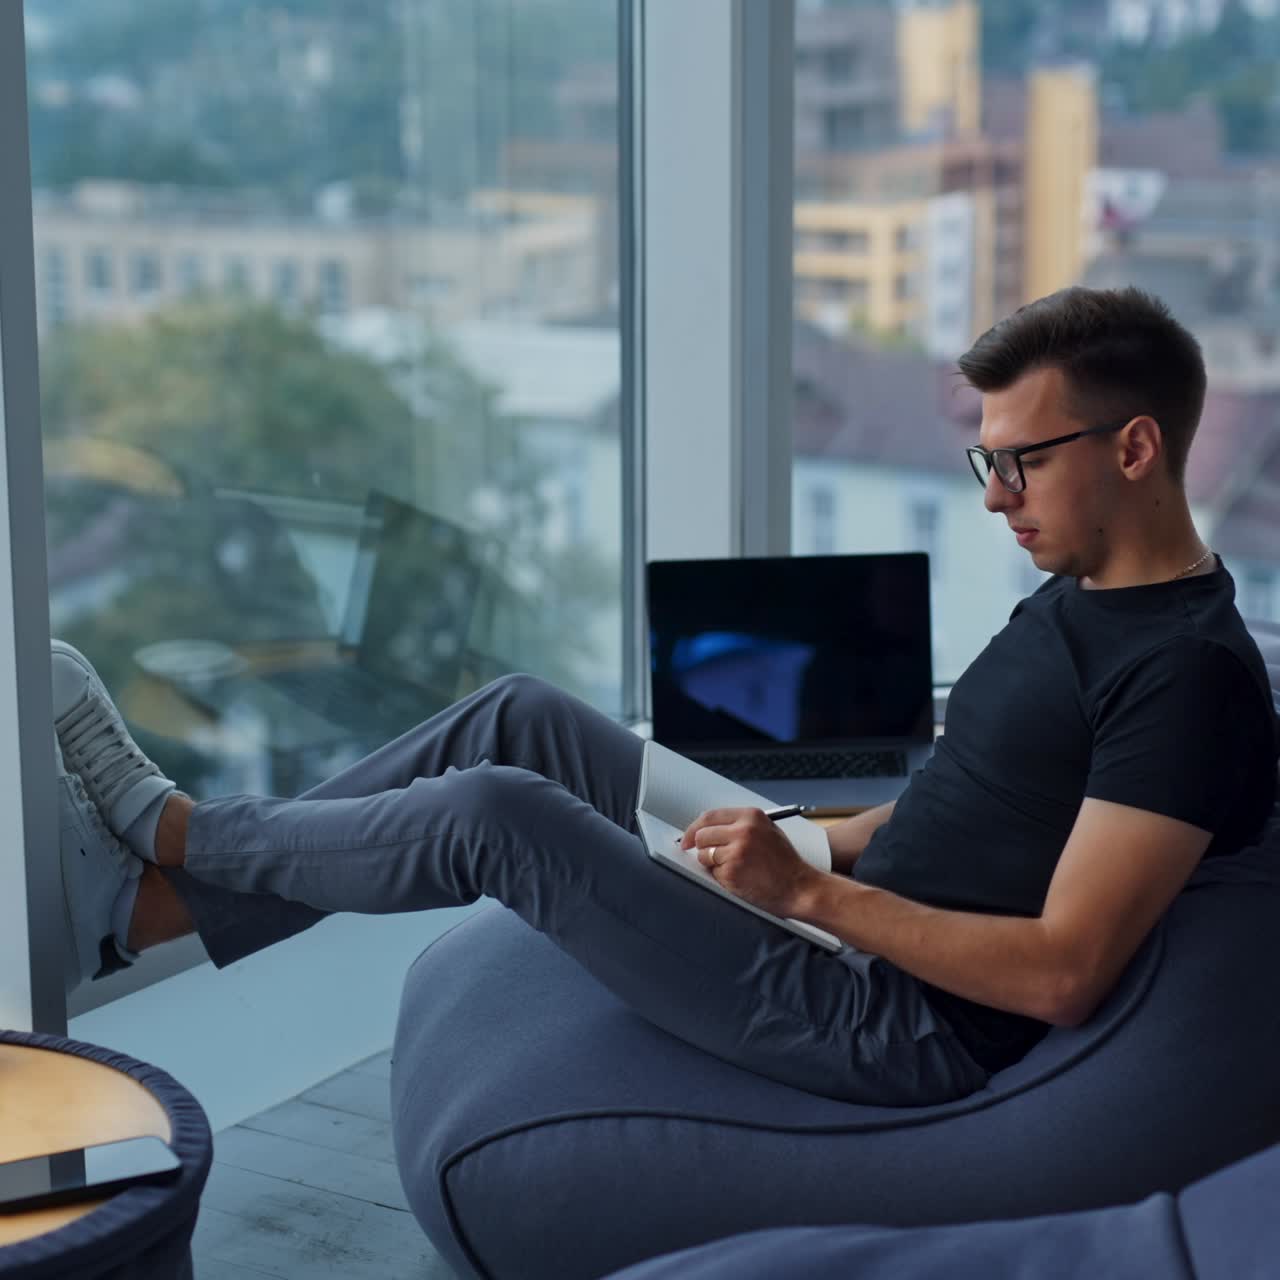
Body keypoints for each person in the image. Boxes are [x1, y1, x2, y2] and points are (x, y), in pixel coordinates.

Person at [53, 286, 1279, 1106]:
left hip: (891, 1015)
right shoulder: (1079, 592)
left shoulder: (1185, 679)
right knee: (517, 714)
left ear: (1132, 449)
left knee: (497, 808)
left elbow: (1063, 971)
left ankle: (177, 841)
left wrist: (802, 890)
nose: (992, 495)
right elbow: (975, 807)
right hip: (834, 898)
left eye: (1018, 462)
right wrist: (807, 841)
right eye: (982, 459)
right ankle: (149, 909)